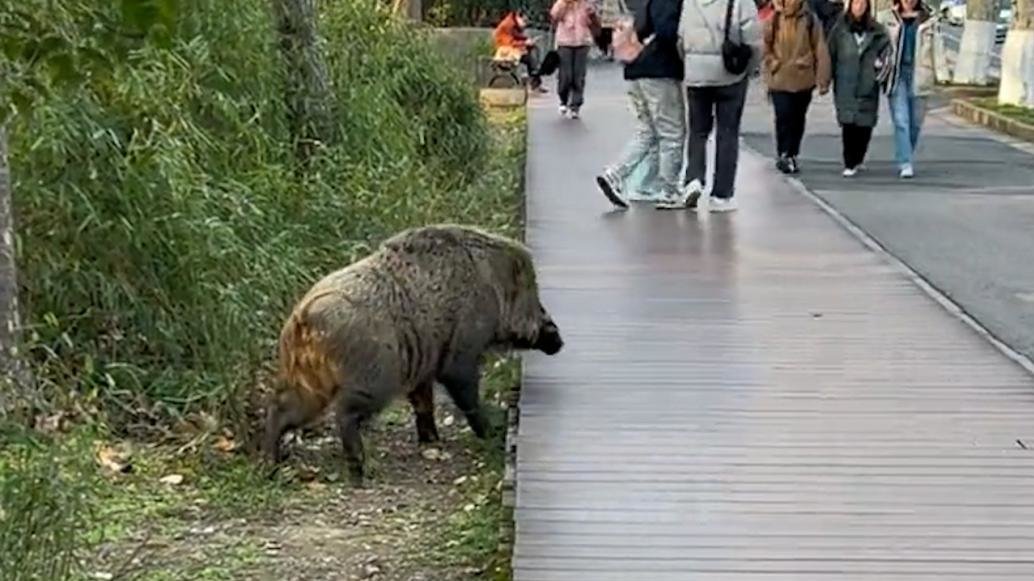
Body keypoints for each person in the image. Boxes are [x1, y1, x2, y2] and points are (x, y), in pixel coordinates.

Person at [657, 0, 762, 213]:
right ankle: (721, 195)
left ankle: (693, 179)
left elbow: (681, 39)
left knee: (698, 131)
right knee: (727, 133)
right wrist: (749, 69)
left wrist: (691, 65)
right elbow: (754, 41)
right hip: (730, 75)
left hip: (696, 75)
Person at [595, 0, 687, 209]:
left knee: (647, 131)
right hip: (659, 69)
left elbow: (642, 28)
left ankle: (614, 175)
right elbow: (667, 32)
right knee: (671, 132)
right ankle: (669, 191)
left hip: (636, 67)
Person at [762, 0, 831, 174]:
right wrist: (772, 63)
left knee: (798, 118)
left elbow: (820, 48)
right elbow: (764, 45)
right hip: (780, 77)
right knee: (783, 115)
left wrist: (823, 79)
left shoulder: (809, 19)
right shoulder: (775, 18)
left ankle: (792, 152)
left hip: (803, 77)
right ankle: (783, 153)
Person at [827, 0, 891, 177]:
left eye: (863, 4)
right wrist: (826, 78)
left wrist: (879, 76)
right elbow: (830, 53)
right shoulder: (840, 29)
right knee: (848, 124)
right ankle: (849, 162)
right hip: (845, 82)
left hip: (868, 84)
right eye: (856, 3)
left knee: (865, 125)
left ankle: (859, 158)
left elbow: (886, 54)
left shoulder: (877, 31)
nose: (859, 7)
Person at [878, 0, 935, 178]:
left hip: (920, 73)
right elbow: (880, 44)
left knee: (915, 123)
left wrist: (943, 73)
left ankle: (906, 152)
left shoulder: (928, 19)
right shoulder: (888, 18)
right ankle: (905, 162)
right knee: (901, 120)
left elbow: (937, 47)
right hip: (896, 74)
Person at [551, 0, 599, 118]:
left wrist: (591, 12)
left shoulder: (586, 3)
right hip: (564, 42)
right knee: (566, 75)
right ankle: (563, 99)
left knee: (579, 75)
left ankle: (575, 105)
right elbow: (554, 15)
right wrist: (565, 4)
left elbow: (593, 20)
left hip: (582, 42)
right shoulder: (562, 3)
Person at [493, 10, 546, 93]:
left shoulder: (514, 23)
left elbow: (516, 36)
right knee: (530, 58)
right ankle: (535, 82)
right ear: (518, 17)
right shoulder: (509, 25)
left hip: (511, 49)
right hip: (506, 51)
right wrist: (525, 43)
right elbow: (509, 43)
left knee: (533, 51)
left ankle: (535, 82)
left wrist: (526, 40)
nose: (525, 24)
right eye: (524, 21)